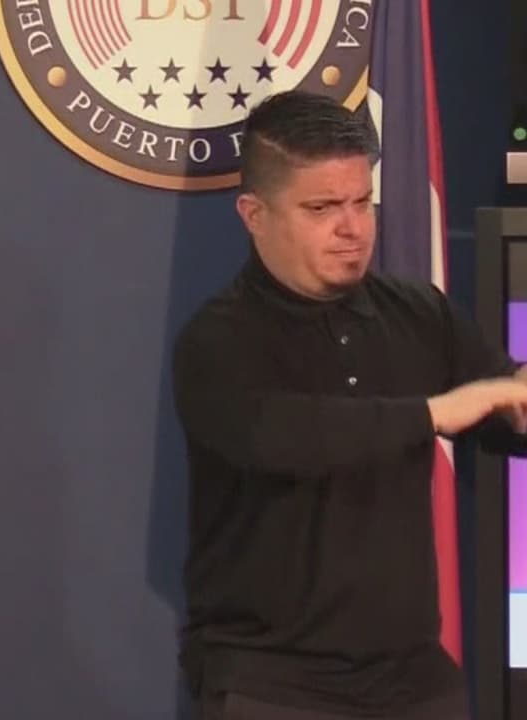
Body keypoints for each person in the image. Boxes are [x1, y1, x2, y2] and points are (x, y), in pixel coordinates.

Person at [172, 89, 527, 720]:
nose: (352, 228)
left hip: (415, 682)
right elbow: (285, 438)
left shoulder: (418, 313)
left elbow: (502, 404)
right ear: (254, 215)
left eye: (363, 202)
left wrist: (516, 401)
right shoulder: (218, 341)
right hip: (272, 684)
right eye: (322, 208)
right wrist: (432, 413)